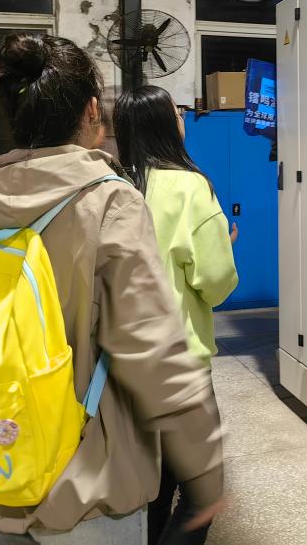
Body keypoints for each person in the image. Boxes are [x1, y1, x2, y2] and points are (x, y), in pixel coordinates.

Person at [0, 32, 224, 545]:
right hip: (82, 488)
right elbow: (151, 351)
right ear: (92, 110)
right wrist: (204, 478)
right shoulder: (109, 202)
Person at [113, 86, 239, 545]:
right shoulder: (188, 187)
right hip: (179, 364)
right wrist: (223, 247)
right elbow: (216, 281)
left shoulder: (113, 187)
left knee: (153, 489)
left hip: (122, 366)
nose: (184, 121)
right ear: (166, 124)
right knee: (204, 494)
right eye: (178, 114)